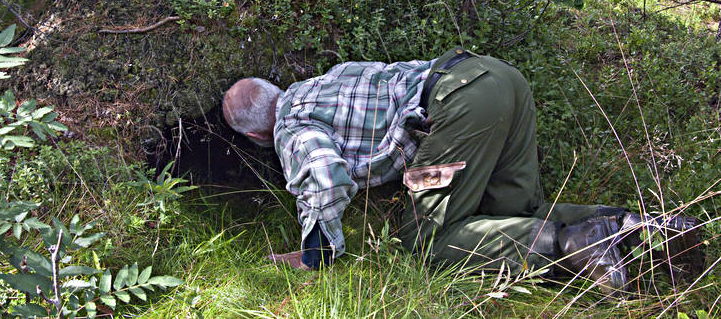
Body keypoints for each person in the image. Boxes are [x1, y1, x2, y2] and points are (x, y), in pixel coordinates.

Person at [222, 48, 704, 295]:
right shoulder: (331, 78)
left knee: (424, 240)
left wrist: (315, 254)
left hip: (459, 106)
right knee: (510, 210)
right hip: (496, 77)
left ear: (254, 136)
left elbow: (325, 179)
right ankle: (641, 229)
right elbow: (399, 83)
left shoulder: (290, 126)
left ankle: (577, 246)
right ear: (274, 87)